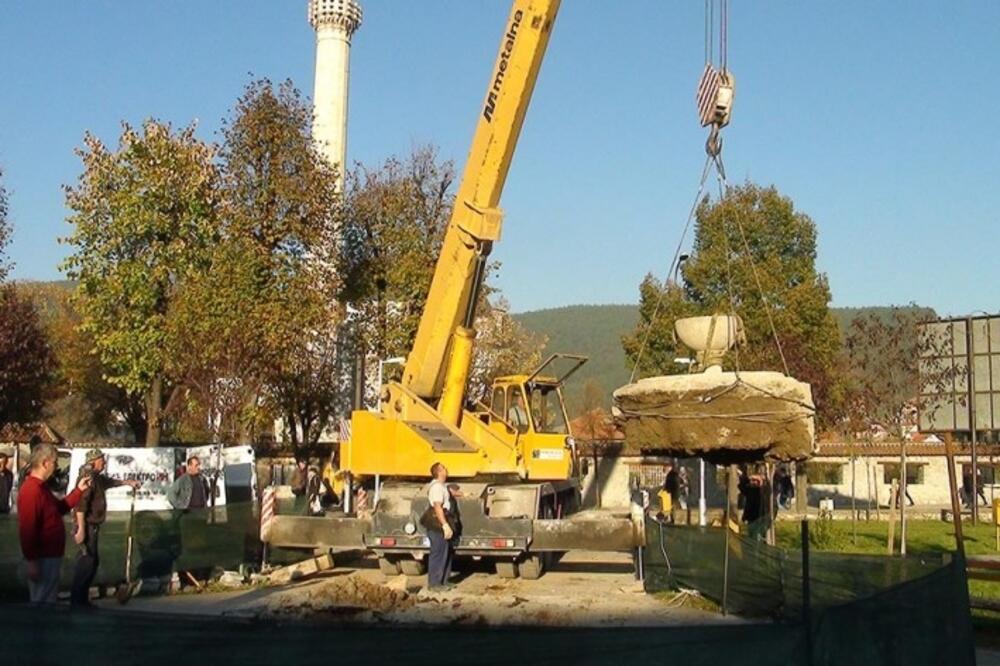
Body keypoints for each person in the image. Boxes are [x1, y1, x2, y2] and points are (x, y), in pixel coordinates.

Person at [17, 443, 91, 604]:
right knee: (42, 601)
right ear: (45, 463)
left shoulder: (42, 489)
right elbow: (28, 529)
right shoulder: (32, 490)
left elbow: (59, 508)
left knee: (48, 599)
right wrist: (32, 561)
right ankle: (40, 629)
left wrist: (78, 491)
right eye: (55, 462)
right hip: (42, 557)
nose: (56, 466)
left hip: (50, 555)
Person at [70, 449, 140, 608]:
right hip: (87, 525)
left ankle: (82, 600)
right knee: (86, 562)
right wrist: (80, 528)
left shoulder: (97, 478)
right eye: (102, 460)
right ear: (94, 461)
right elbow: (81, 506)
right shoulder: (87, 478)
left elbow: (108, 482)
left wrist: (127, 482)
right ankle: (77, 601)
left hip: (92, 526)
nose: (104, 462)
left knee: (92, 562)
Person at [425, 462, 459, 590]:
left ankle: (444, 580)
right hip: (438, 523)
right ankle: (434, 584)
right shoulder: (436, 488)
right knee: (438, 552)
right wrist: (444, 525)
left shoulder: (441, 486)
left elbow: (450, 492)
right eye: (444, 468)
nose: (446, 469)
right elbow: (437, 506)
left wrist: (463, 494)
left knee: (446, 551)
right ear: (439, 472)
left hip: (443, 520)